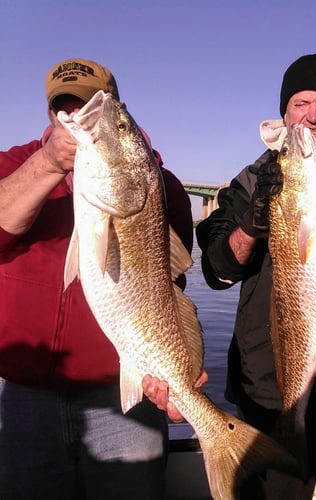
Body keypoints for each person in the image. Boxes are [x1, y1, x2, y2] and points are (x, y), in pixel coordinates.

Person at [144, 51, 316, 499]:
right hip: (266, 388)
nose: (312, 115)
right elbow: (216, 272)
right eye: (300, 103)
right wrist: (251, 224)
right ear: (285, 113)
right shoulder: (248, 183)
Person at [0, 58, 193, 499]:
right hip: (25, 397)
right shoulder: (13, 164)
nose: (74, 117)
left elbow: (169, 289)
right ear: (49, 116)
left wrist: (175, 369)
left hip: (122, 397)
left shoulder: (162, 187)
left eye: (88, 105)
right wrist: (47, 164)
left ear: (113, 108)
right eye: (63, 107)